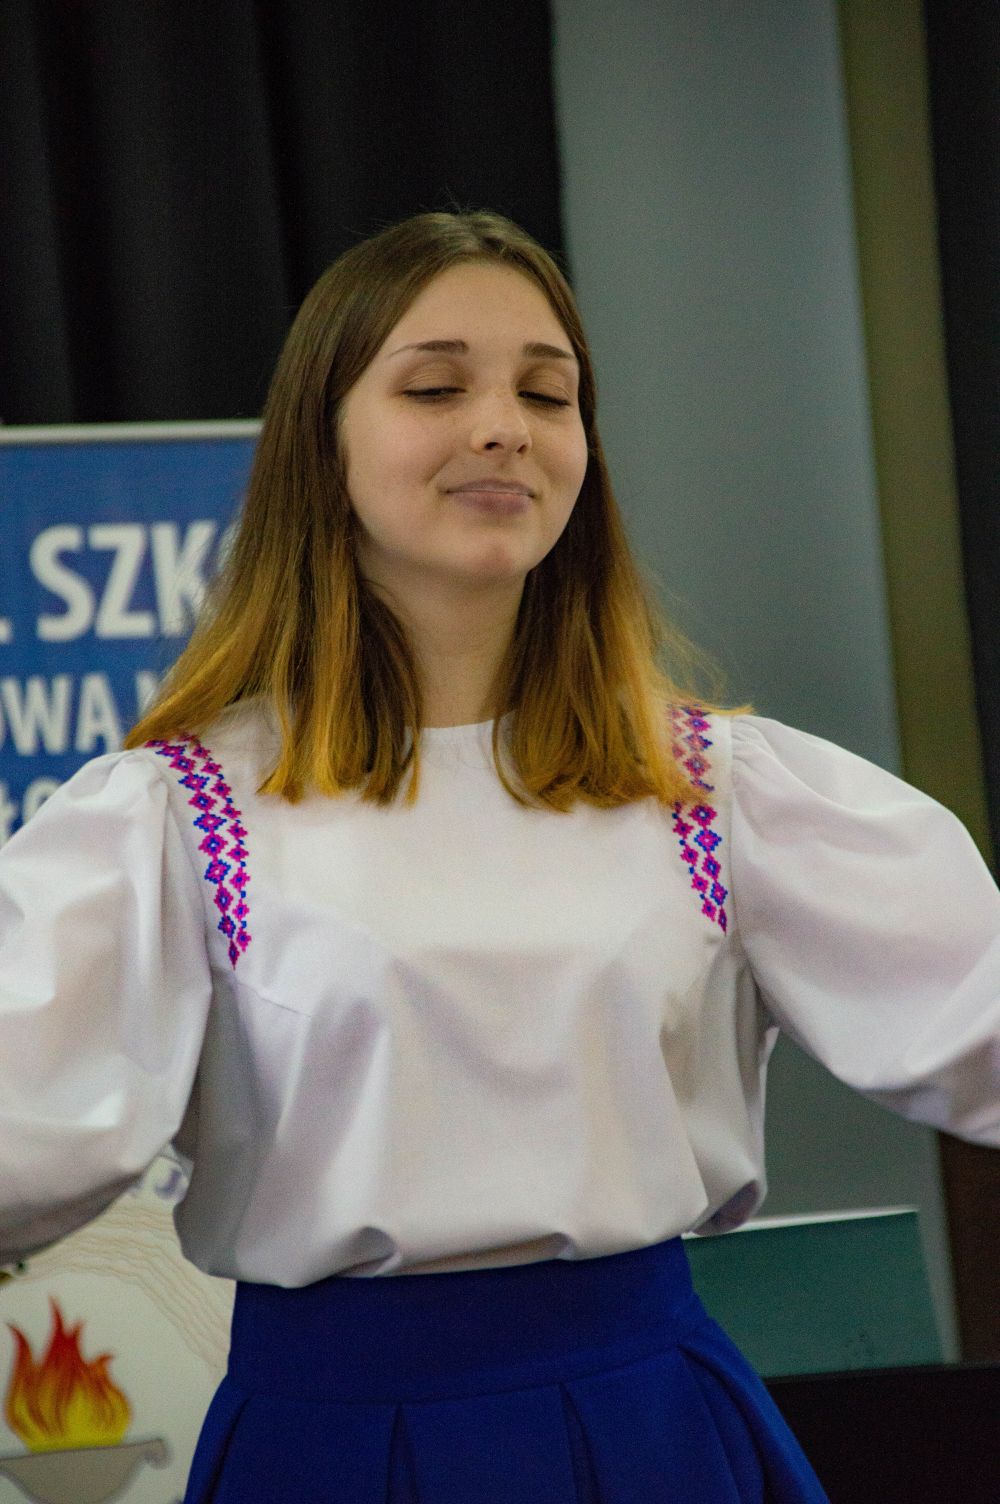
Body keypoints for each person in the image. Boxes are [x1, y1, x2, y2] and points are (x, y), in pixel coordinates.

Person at [0, 209, 997, 1504]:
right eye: (435, 387)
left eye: (546, 391)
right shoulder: (178, 814)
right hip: (332, 1446)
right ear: (320, 442)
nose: (501, 427)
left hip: (653, 1432)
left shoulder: (711, 789)